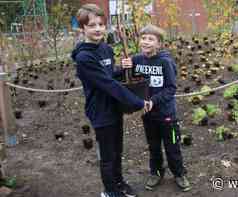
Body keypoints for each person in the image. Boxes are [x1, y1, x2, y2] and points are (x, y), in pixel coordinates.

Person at [71, 4, 150, 197]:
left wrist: (122, 69)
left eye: (100, 24)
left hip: (114, 107)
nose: (97, 29)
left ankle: (119, 182)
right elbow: (108, 84)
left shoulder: (105, 48)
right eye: (91, 25)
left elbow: (109, 74)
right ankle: (110, 191)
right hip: (100, 111)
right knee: (107, 156)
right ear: (83, 29)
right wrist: (138, 102)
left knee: (117, 150)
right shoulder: (84, 57)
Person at [121, 24, 191, 192]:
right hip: (147, 114)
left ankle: (179, 173)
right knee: (153, 146)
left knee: (172, 145)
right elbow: (131, 81)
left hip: (167, 115)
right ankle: (156, 172)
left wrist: (153, 101)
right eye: (143, 38)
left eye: (151, 39)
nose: (146, 42)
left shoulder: (165, 62)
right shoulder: (137, 60)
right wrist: (125, 67)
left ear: (159, 44)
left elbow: (171, 88)